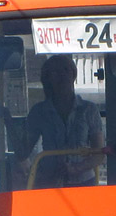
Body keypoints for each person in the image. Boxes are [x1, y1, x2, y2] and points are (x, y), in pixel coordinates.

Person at [25, 54, 105, 188]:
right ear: (48, 78)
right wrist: (8, 122)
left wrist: (77, 167)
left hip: (84, 183)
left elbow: (99, 153)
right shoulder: (39, 111)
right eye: (55, 72)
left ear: (73, 74)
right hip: (49, 182)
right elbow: (24, 151)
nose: (62, 76)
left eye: (66, 70)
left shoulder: (89, 109)